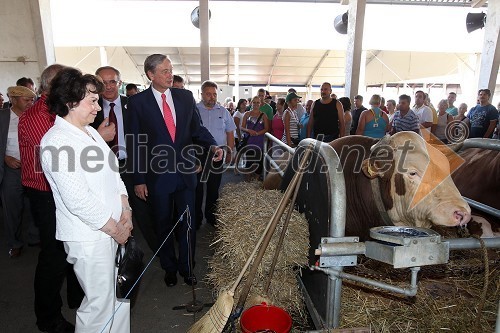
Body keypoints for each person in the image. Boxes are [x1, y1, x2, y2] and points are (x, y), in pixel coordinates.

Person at [40, 67, 133, 333]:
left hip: (113, 230)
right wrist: (116, 230)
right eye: (92, 101)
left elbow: (115, 174)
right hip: (90, 236)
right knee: (99, 307)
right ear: (70, 101)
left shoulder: (90, 132)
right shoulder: (57, 141)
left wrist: (126, 210)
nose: (97, 107)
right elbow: (77, 200)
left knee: (117, 298)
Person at [128, 54, 221, 288]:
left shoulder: (185, 97)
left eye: (171, 70)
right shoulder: (138, 103)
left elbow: (196, 128)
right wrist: (139, 180)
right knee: (162, 223)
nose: (170, 75)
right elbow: (134, 143)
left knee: (188, 222)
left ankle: (187, 267)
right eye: (164, 71)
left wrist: (212, 145)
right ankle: (169, 266)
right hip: (157, 177)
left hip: (186, 173)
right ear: (151, 75)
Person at [18, 64, 85, 333]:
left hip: (58, 189)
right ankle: (48, 318)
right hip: (45, 193)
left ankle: (75, 297)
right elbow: (61, 160)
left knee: (69, 247)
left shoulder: (57, 109)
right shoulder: (39, 116)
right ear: (53, 85)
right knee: (53, 256)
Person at [92, 66, 157, 254]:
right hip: (103, 170)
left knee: (144, 214)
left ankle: (161, 254)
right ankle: (117, 258)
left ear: (120, 83)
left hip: (132, 166)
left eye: (113, 81)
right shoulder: (90, 110)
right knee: (110, 214)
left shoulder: (134, 105)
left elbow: (147, 137)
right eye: (103, 82)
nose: (109, 87)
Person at [1, 86, 39, 258]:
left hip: (34, 168)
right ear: (14, 100)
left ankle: (34, 237)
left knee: (35, 205)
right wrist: (5, 158)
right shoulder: (3, 118)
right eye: (26, 100)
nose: (31, 103)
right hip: (11, 170)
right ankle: (14, 242)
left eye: (32, 100)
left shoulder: (36, 117)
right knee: (12, 207)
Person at [195, 81, 235, 228]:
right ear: (201, 94)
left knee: (213, 188)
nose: (212, 97)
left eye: (214, 94)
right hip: (198, 156)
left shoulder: (223, 112)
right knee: (197, 189)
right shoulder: (194, 110)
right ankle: (197, 218)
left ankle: (211, 217)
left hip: (217, 156)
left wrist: (229, 151)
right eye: (208, 94)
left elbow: (230, 132)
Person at [240, 96, 269, 180]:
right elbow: (242, 127)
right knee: (249, 160)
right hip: (249, 141)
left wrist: (257, 133)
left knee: (259, 161)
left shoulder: (264, 115)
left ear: (260, 104)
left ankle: (256, 181)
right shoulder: (247, 114)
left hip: (259, 141)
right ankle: (248, 180)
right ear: (251, 103)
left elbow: (267, 128)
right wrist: (248, 130)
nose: (256, 104)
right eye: (254, 102)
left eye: (258, 102)